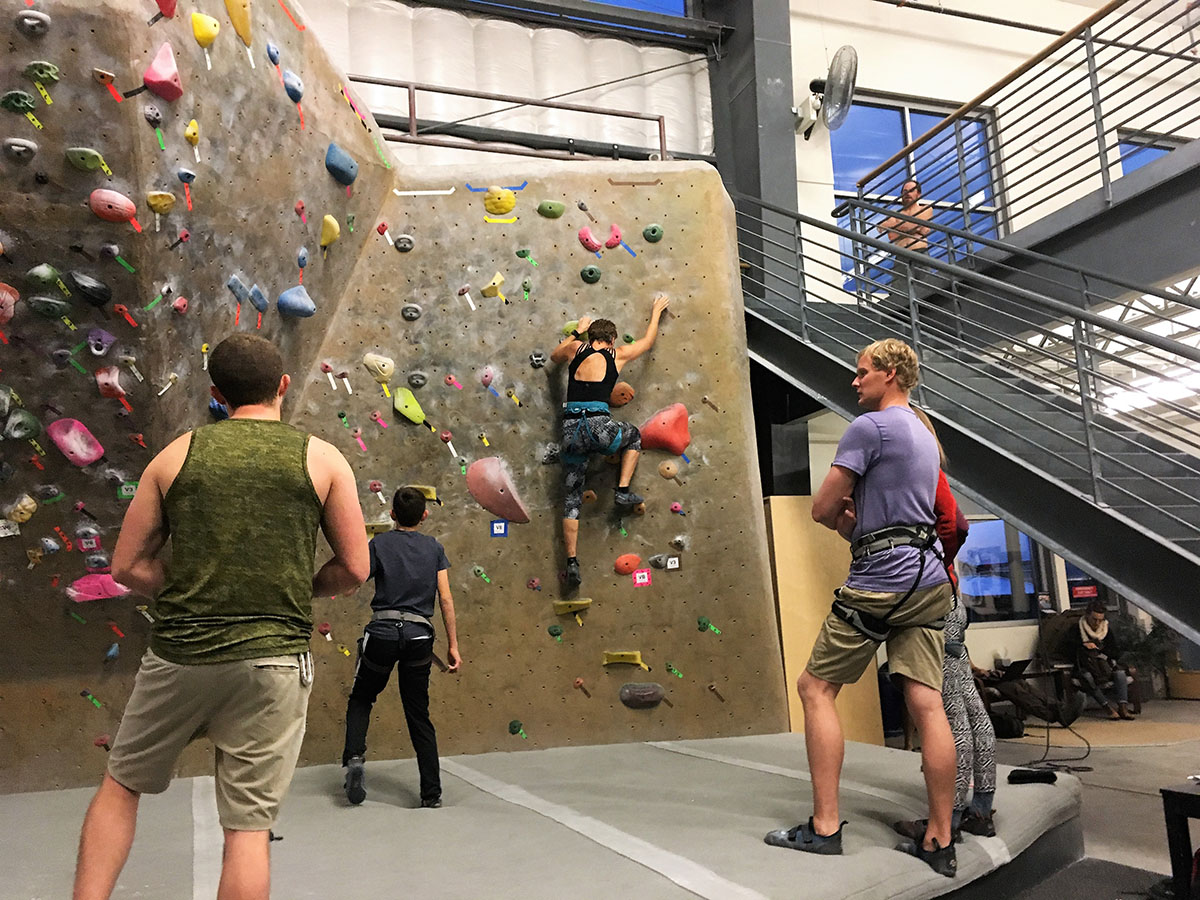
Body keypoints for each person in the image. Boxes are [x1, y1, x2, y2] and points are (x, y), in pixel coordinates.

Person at [73, 333, 370, 900]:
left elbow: (127, 565)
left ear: (217, 394)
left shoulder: (176, 456)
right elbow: (355, 568)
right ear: (283, 385)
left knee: (121, 787)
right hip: (274, 663)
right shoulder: (323, 458)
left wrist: (185, 584)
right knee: (247, 833)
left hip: (181, 656)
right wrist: (285, 588)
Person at [764, 338, 958, 878]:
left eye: (863, 372)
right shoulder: (924, 432)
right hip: (926, 578)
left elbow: (822, 506)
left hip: (881, 579)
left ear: (891, 373)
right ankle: (939, 838)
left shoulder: (869, 428)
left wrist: (846, 522)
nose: (855, 382)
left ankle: (825, 827)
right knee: (927, 702)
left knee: (814, 689)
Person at [893, 407, 998, 842]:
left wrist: (934, 564)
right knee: (968, 706)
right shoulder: (929, 469)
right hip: (950, 597)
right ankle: (981, 807)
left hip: (936, 600)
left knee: (949, 712)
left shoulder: (920, 472)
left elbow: (957, 523)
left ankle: (952, 815)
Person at [341, 486, 461, 808]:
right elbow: (445, 598)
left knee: (362, 698)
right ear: (424, 515)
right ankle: (431, 794)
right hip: (420, 638)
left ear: (392, 514)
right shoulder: (434, 548)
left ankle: (354, 759)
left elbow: (355, 580)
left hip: (382, 633)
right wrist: (453, 645)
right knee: (418, 712)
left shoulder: (379, 544)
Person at [550, 293, 671, 586]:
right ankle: (622, 490)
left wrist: (576, 330)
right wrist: (656, 312)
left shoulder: (575, 349)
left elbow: (554, 357)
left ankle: (572, 561)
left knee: (571, 500)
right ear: (612, 339)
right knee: (633, 436)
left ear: (591, 336)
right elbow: (647, 342)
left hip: (571, 433)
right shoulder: (618, 354)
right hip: (599, 427)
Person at [1074, 600, 1137, 720]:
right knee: (1087, 678)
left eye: (1100, 620)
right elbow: (1068, 650)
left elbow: (1115, 652)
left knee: (1120, 674)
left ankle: (1123, 707)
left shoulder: (1106, 630)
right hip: (1085, 666)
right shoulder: (1076, 629)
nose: (1097, 623)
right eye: (1094, 619)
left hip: (1104, 665)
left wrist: (1100, 651)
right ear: (1087, 616)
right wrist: (1084, 646)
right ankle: (1107, 707)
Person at [877, 179, 934, 252]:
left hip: (920, 252)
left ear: (918, 194)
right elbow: (892, 236)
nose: (907, 194)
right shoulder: (894, 214)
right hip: (901, 255)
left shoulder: (925, 208)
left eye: (911, 190)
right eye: (905, 191)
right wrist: (914, 231)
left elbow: (915, 226)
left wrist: (889, 225)